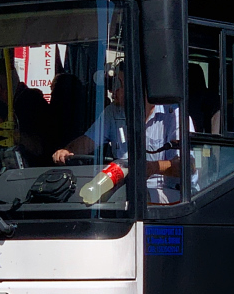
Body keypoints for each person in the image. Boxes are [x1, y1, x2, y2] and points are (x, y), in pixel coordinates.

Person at [52, 71, 188, 203]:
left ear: (138, 87)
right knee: (88, 198)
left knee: (132, 197)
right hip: (125, 186)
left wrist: (152, 168)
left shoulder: (173, 114)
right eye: (112, 84)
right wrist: (67, 151)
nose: (112, 90)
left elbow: (187, 165)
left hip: (170, 192)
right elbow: (88, 141)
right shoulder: (113, 112)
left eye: (118, 84)